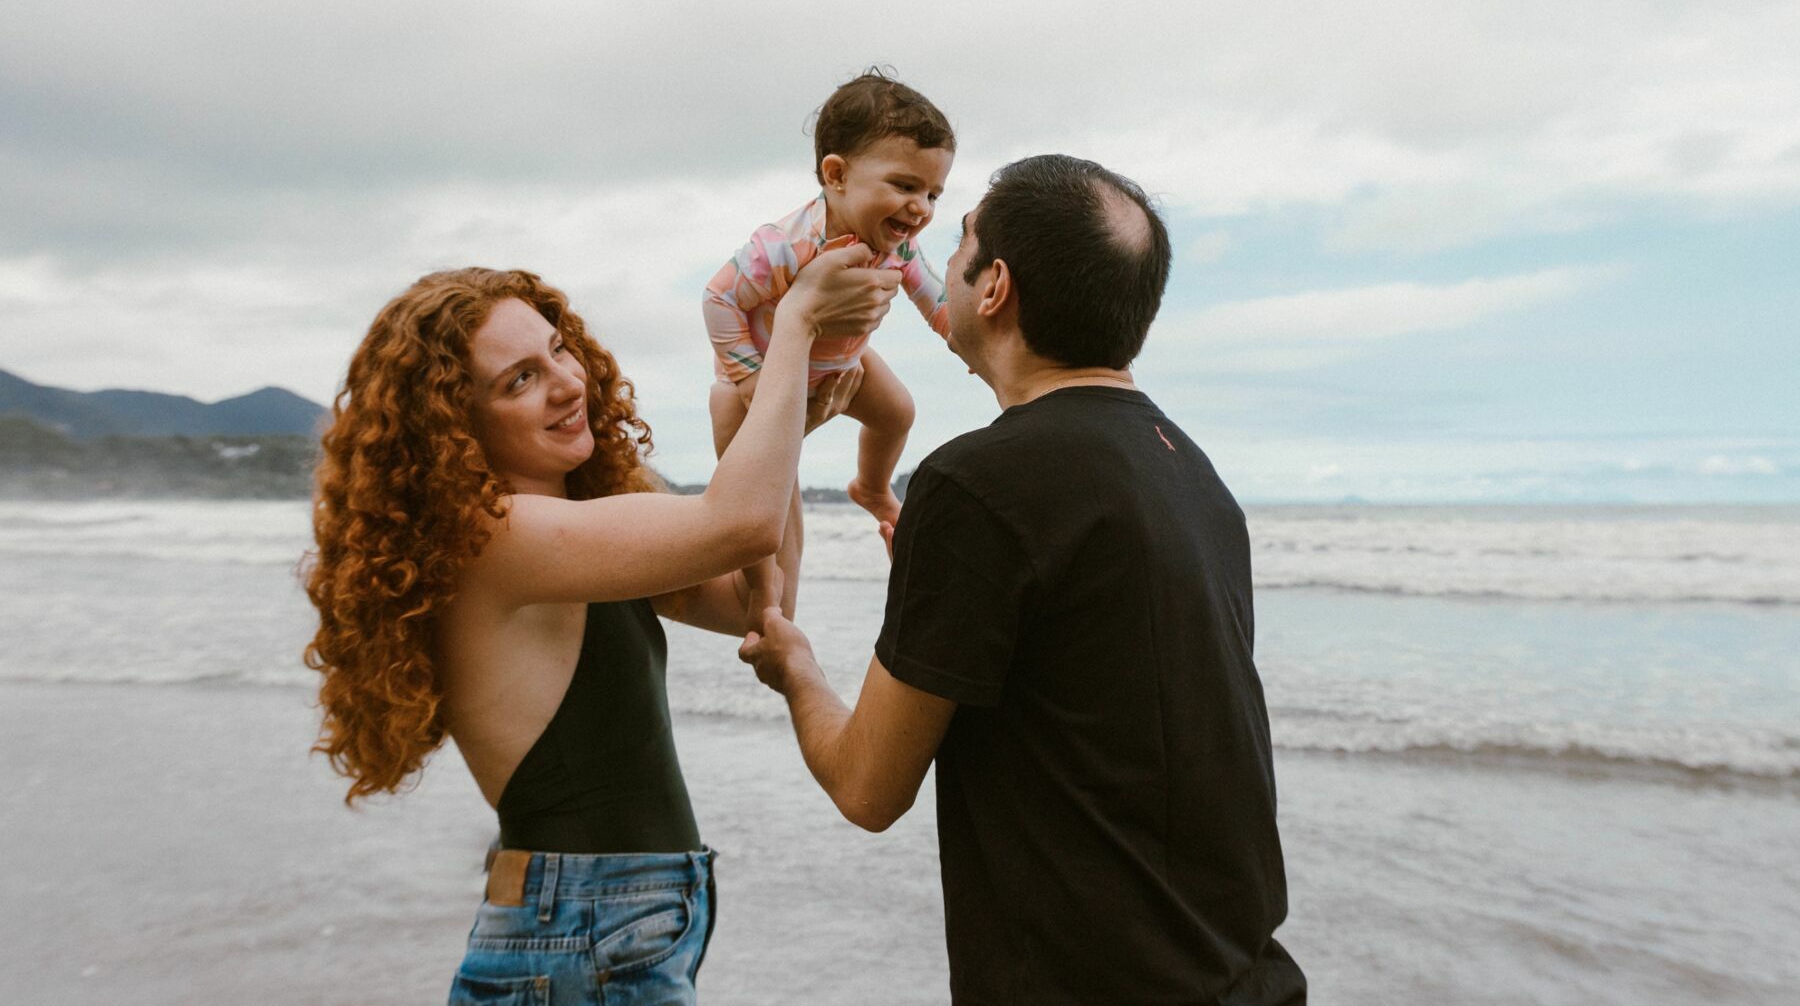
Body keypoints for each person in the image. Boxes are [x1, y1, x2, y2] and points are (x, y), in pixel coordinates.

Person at [739, 154, 1308, 1005]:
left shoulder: (978, 483)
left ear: (994, 285)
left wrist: (795, 666)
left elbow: (867, 787)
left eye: (961, 238)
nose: (940, 251)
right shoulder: (1194, 474)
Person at [302, 254, 897, 1006]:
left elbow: (755, 600)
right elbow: (739, 523)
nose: (566, 382)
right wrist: (796, 329)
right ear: (456, 422)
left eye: (557, 348)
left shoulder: (574, 529)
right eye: (519, 379)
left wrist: (776, 428)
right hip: (581, 926)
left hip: (595, 924)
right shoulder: (494, 540)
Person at [703, 69, 955, 618]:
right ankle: (765, 595)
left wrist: (968, 344)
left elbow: (937, 300)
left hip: (846, 364)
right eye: (905, 186)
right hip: (759, 383)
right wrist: (749, 378)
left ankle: (870, 486)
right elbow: (719, 299)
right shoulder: (786, 246)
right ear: (836, 175)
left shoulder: (900, 248)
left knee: (898, 413)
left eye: (933, 193)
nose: (921, 208)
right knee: (761, 510)